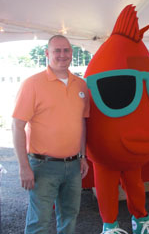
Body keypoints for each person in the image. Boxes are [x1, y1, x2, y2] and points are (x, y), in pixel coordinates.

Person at [12, 35, 90, 234]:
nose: (62, 55)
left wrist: (82, 156)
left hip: (73, 167)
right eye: (57, 50)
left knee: (69, 218)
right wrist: (24, 167)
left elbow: (81, 122)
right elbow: (17, 126)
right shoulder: (33, 84)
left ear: (72, 53)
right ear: (47, 53)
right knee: (39, 223)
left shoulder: (81, 85)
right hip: (42, 166)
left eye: (66, 50)